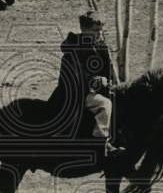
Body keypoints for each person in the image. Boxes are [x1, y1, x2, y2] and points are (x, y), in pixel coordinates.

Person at [48, 10, 124, 157]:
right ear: (84, 30)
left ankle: (119, 138)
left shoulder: (101, 48)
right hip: (75, 93)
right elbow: (73, 77)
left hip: (98, 90)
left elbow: (108, 73)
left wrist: (106, 81)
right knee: (105, 105)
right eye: (95, 30)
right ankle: (100, 143)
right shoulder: (74, 49)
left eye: (101, 30)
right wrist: (94, 82)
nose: (99, 34)